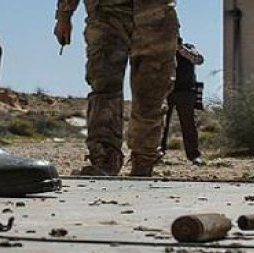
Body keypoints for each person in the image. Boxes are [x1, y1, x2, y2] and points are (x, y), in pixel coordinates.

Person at [54, 0, 179, 177]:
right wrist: (64, 16)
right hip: (107, 14)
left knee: (151, 92)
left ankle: (143, 163)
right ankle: (105, 160)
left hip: (156, 15)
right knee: (104, 87)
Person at [160, 39, 205, 165]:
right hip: (166, 90)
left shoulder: (188, 48)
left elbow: (198, 60)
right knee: (161, 123)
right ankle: (158, 151)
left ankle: (194, 155)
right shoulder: (163, 49)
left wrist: (181, 49)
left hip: (186, 90)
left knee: (188, 124)